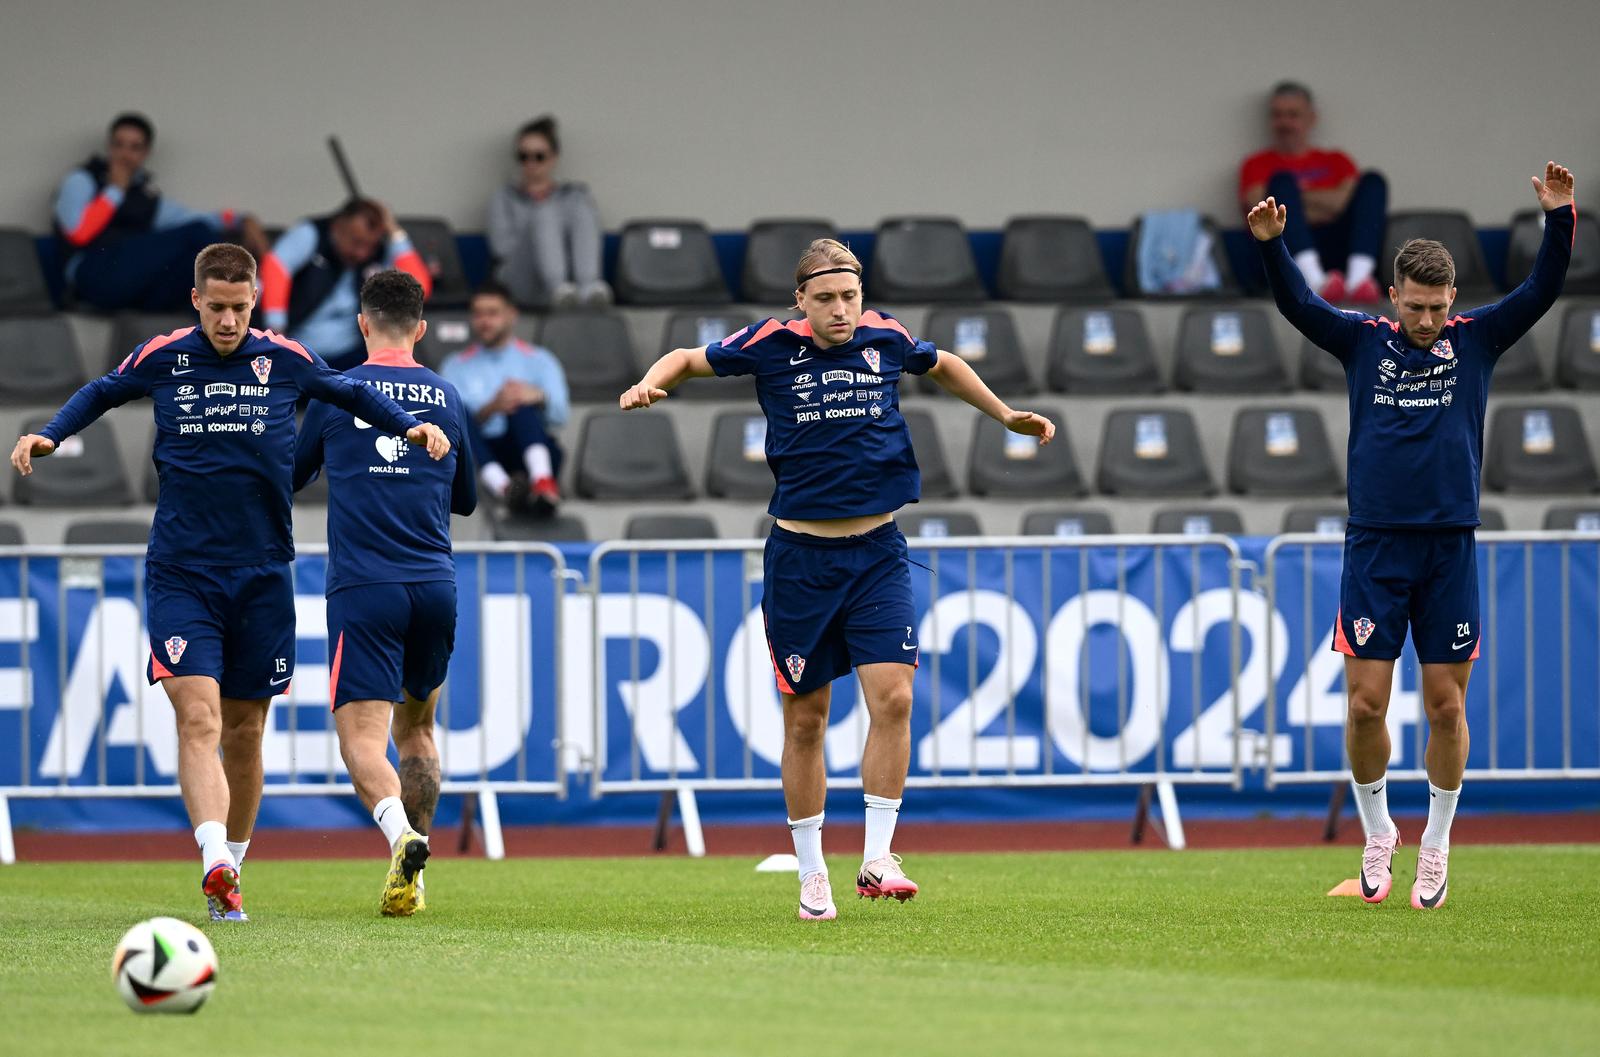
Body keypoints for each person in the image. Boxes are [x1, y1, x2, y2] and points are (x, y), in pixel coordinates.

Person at [9, 244, 450, 922]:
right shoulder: (165, 356)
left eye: (240, 308)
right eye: (216, 307)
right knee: (199, 717)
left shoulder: (284, 358)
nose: (228, 321)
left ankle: (232, 873)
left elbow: (351, 391)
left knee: (245, 733)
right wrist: (50, 433)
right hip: (184, 574)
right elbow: (103, 389)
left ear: (254, 302)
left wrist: (411, 424)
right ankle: (213, 856)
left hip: (264, 574)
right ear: (196, 301)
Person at [618, 239, 1055, 921]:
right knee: (806, 723)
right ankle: (813, 870)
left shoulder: (886, 336)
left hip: (878, 552)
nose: (840, 310)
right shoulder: (768, 344)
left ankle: (878, 857)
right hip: (801, 561)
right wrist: (653, 380)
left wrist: (1005, 415)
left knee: (897, 698)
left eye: (849, 296)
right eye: (825, 298)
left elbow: (944, 364)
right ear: (801, 300)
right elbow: (686, 357)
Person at [1248, 162, 1576, 909]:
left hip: (1449, 546)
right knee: (1365, 704)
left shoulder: (1478, 340)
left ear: (1452, 298)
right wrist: (1273, 244)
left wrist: (1559, 217)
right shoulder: (1363, 342)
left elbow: (1541, 291)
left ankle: (1435, 843)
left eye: (1437, 307)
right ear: (1393, 296)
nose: (1426, 321)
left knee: (1447, 708)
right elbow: (1300, 305)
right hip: (1375, 545)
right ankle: (1376, 833)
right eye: (1416, 307)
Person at [294, 270, 476, 916]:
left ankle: (400, 836)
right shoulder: (447, 396)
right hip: (433, 582)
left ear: (363, 324)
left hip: (364, 586)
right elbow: (469, 500)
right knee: (418, 727)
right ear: (421, 329)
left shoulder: (337, 392)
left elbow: (290, 474)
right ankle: (416, 872)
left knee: (361, 739)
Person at [53, 112, 269, 312]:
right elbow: (78, 233)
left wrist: (241, 220)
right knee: (196, 234)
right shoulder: (82, 180)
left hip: (134, 285)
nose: (124, 154)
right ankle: (251, 288)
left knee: (196, 275)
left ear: (145, 153)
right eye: (118, 145)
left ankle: (239, 337)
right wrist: (115, 190)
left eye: (134, 147)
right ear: (109, 147)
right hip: (92, 278)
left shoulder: (144, 194)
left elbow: (192, 219)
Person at [1238, 83, 1389, 302]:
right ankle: (1314, 282)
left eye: (1293, 115)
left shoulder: (1337, 160)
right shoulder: (1256, 164)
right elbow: (1259, 208)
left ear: (1311, 118)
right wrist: (1322, 202)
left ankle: (1359, 280)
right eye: (1278, 115)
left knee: (1374, 181)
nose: (1285, 122)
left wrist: (1295, 203)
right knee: (1280, 182)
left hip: (1337, 249)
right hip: (1287, 254)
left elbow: (1341, 204)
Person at [439, 281, 569, 513]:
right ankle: (506, 489)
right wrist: (492, 407)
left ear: (512, 315)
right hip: (484, 455)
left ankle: (542, 483)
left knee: (519, 399)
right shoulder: (455, 365)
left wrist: (537, 396)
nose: (485, 321)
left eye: (493, 313)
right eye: (478, 314)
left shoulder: (539, 359)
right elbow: (449, 427)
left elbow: (560, 417)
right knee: (456, 413)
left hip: (530, 446)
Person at [260, 198, 433, 370]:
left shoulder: (381, 251)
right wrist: (276, 335)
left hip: (353, 356)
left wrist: (395, 233)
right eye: (356, 242)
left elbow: (418, 289)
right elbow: (275, 268)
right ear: (338, 227)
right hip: (299, 352)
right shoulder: (312, 233)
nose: (362, 253)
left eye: (369, 246)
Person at [487, 115, 610, 308]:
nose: (531, 163)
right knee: (544, 212)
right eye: (523, 157)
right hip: (521, 278)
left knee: (582, 207)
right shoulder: (504, 197)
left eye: (539, 156)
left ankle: (589, 288)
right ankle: (558, 289)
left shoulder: (573, 196)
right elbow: (502, 249)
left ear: (553, 157)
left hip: (571, 282)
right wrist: (540, 238)